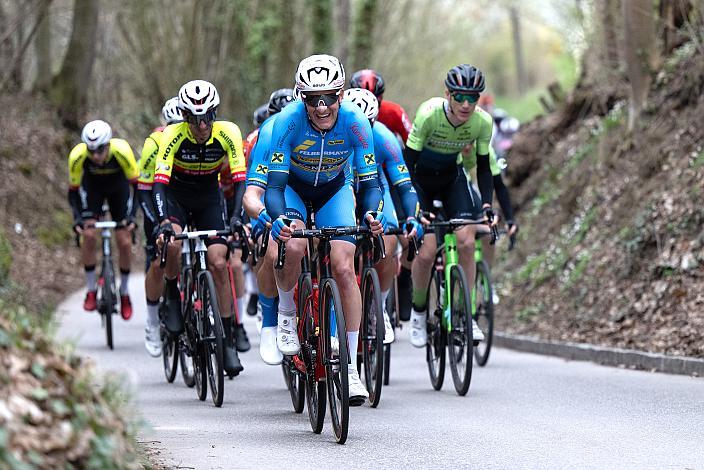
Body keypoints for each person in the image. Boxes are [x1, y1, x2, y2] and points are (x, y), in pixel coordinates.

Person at [264, 55, 385, 404]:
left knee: (345, 265)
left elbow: (371, 184)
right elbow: (273, 188)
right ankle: (287, 313)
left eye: (329, 97)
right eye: (312, 99)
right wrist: (280, 220)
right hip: (294, 190)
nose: (321, 107)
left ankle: (350, 368)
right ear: (301, 97)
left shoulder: (356, 122)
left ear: (341, 95)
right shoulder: (287, 122)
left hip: (335, 190)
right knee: (295, 246)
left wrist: (372, 214)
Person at [153, 80, 246, 376]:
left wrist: (236, 218)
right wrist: (164, 221)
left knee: (220, 262)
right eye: (194, 118)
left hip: (209, 198)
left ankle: (228, 337)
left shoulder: (228, 133)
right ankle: (170, 291)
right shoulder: (172, 135)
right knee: (173, 244)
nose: (202, 124)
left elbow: (241, 181)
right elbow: (158, 183)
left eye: (207, 116)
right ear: (184, 116)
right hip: (177, 197)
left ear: (215, 113)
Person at [404, 64, 496, 347]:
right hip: (420, 179)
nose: (466, 104)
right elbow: (408, 164)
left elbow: (482, 168)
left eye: (473, 97)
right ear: (447, 94)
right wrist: (417, 208)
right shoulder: (429, 113)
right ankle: (419, 312)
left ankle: (466, 316)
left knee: (467, 241)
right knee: (427, 251)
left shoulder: (482, 122)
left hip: (451, 178)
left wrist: (487, 206)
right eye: (459, 97)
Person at [344, 87, 422, 344]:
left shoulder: (383, 137)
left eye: (368, 123)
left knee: (387, 243)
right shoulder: (332, 133)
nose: (361, 129)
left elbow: (404, 185)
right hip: (340, 187)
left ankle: (380, 307)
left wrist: (411, 216)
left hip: (373, 188)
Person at [242, 88, 296, 364]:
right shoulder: (264, 134)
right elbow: (249, 184)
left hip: (302, 193)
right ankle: (269, 316)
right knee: (269, 252)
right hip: (267, 194)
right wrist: (258, 216)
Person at [68, 120, 138, 320]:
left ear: (108, 144)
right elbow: (72, 192)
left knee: (124, 241)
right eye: (91, 151)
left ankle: (124, 293)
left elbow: (137, 187)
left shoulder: (122, 151)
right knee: (88, 235)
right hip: (93, 191)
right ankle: (91, 289)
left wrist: (132, 217)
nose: (96, 156)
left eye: (100, 150)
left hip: (119, 190)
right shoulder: (78, 156)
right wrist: (77, 219)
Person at [138, 97, 183, 356]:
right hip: (158, 200)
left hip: (188, 197)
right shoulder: (154, 143)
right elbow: (144, 189)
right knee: (159, 261)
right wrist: (156, 222)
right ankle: (153, 321)